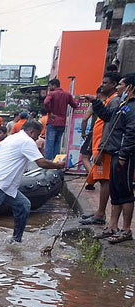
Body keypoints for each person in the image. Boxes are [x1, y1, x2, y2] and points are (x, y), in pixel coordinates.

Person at [0, 120, 67, 243]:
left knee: (23, 206)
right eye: (37, 135)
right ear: (32, 132)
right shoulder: (27, 141)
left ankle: (16, 240)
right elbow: (41, 163)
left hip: (5, 186)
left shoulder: (12, 137)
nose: (38, 138)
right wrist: (58, 166)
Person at [84, 73, 135, 243]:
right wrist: (95, 101)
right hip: (114, 153)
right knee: (115, 191)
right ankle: (112, 226)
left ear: (130, 87)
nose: (118, 87)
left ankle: (126, 229)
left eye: (121, 84)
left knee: (125, 192)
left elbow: (131, 133)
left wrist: (123, 155)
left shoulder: (133, 107)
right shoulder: (122, 104)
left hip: (124, 156)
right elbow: (106, 115)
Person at [79, 72, 121, 226]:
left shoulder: (115, 101)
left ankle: (100, 214)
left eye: (105, 83)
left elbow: (110, 127)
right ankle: (99, 212)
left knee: (105, 180)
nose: (102, 85)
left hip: (105, 147)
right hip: (99, 144)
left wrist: (102, 149)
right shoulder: (109, 100)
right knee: (103, 180)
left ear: (113, 85)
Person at [43, 78, 79, 160]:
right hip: (62, 123)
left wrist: (50, 112)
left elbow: (46, 102)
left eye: (50, 86)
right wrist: (77, 99)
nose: (49, 88)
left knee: (49, 144)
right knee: (57, 144)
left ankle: (48, 163)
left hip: (52, 122)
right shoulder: (67, 94)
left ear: (54, 85)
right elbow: (75, 105)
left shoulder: (51, 94)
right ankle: (56, 162)